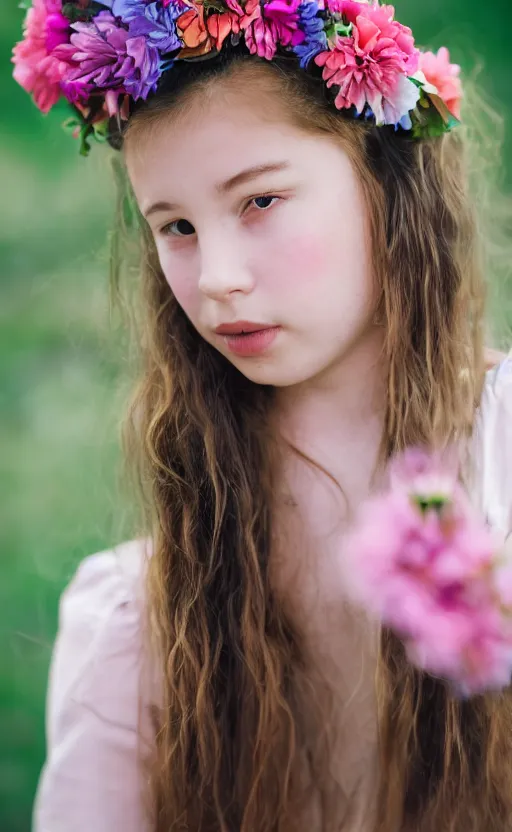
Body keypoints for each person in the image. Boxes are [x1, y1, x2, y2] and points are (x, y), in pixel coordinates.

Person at [12, 1, 512, 830]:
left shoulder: (502, 452)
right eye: (175, 226)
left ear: (384, 180)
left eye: (260, 202)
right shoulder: (148, 612)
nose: (216, 278)